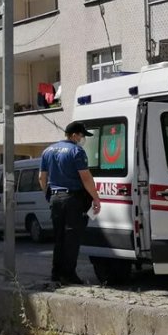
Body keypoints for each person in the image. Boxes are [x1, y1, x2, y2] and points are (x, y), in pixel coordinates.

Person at [38, 121, 101, 285]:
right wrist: (95, 198)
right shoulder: (76, 151)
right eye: (82, 135)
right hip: (73, 199)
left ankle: (56, 273)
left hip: (55, 198)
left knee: (59, 237)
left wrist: (48, 194)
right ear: (74, 135)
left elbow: (41, 177)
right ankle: (69, 274)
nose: (82, 139)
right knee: (72, 238)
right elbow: (86, 177)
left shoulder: (48, 151)